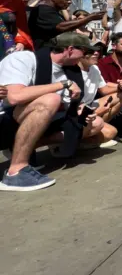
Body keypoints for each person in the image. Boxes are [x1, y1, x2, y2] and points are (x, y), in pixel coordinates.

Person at [0, 33, 105, 191]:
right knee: (50, 99)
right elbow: (15, 97)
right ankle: (15, 172)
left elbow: (70, 105)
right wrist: (62, 85)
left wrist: (81, 110)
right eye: (84, 51)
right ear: (70, 49)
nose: (87, 55)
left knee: (95, 123)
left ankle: (21, 148)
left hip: (33, 119)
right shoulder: (24, 59)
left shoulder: (70, 71)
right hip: (5, 119)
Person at [28, 0, 102, 50]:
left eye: (70, 0)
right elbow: (61, 27)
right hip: (44, 53)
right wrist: (89, 18)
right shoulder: (43, 10)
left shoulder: (56, 13)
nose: (69, 2)